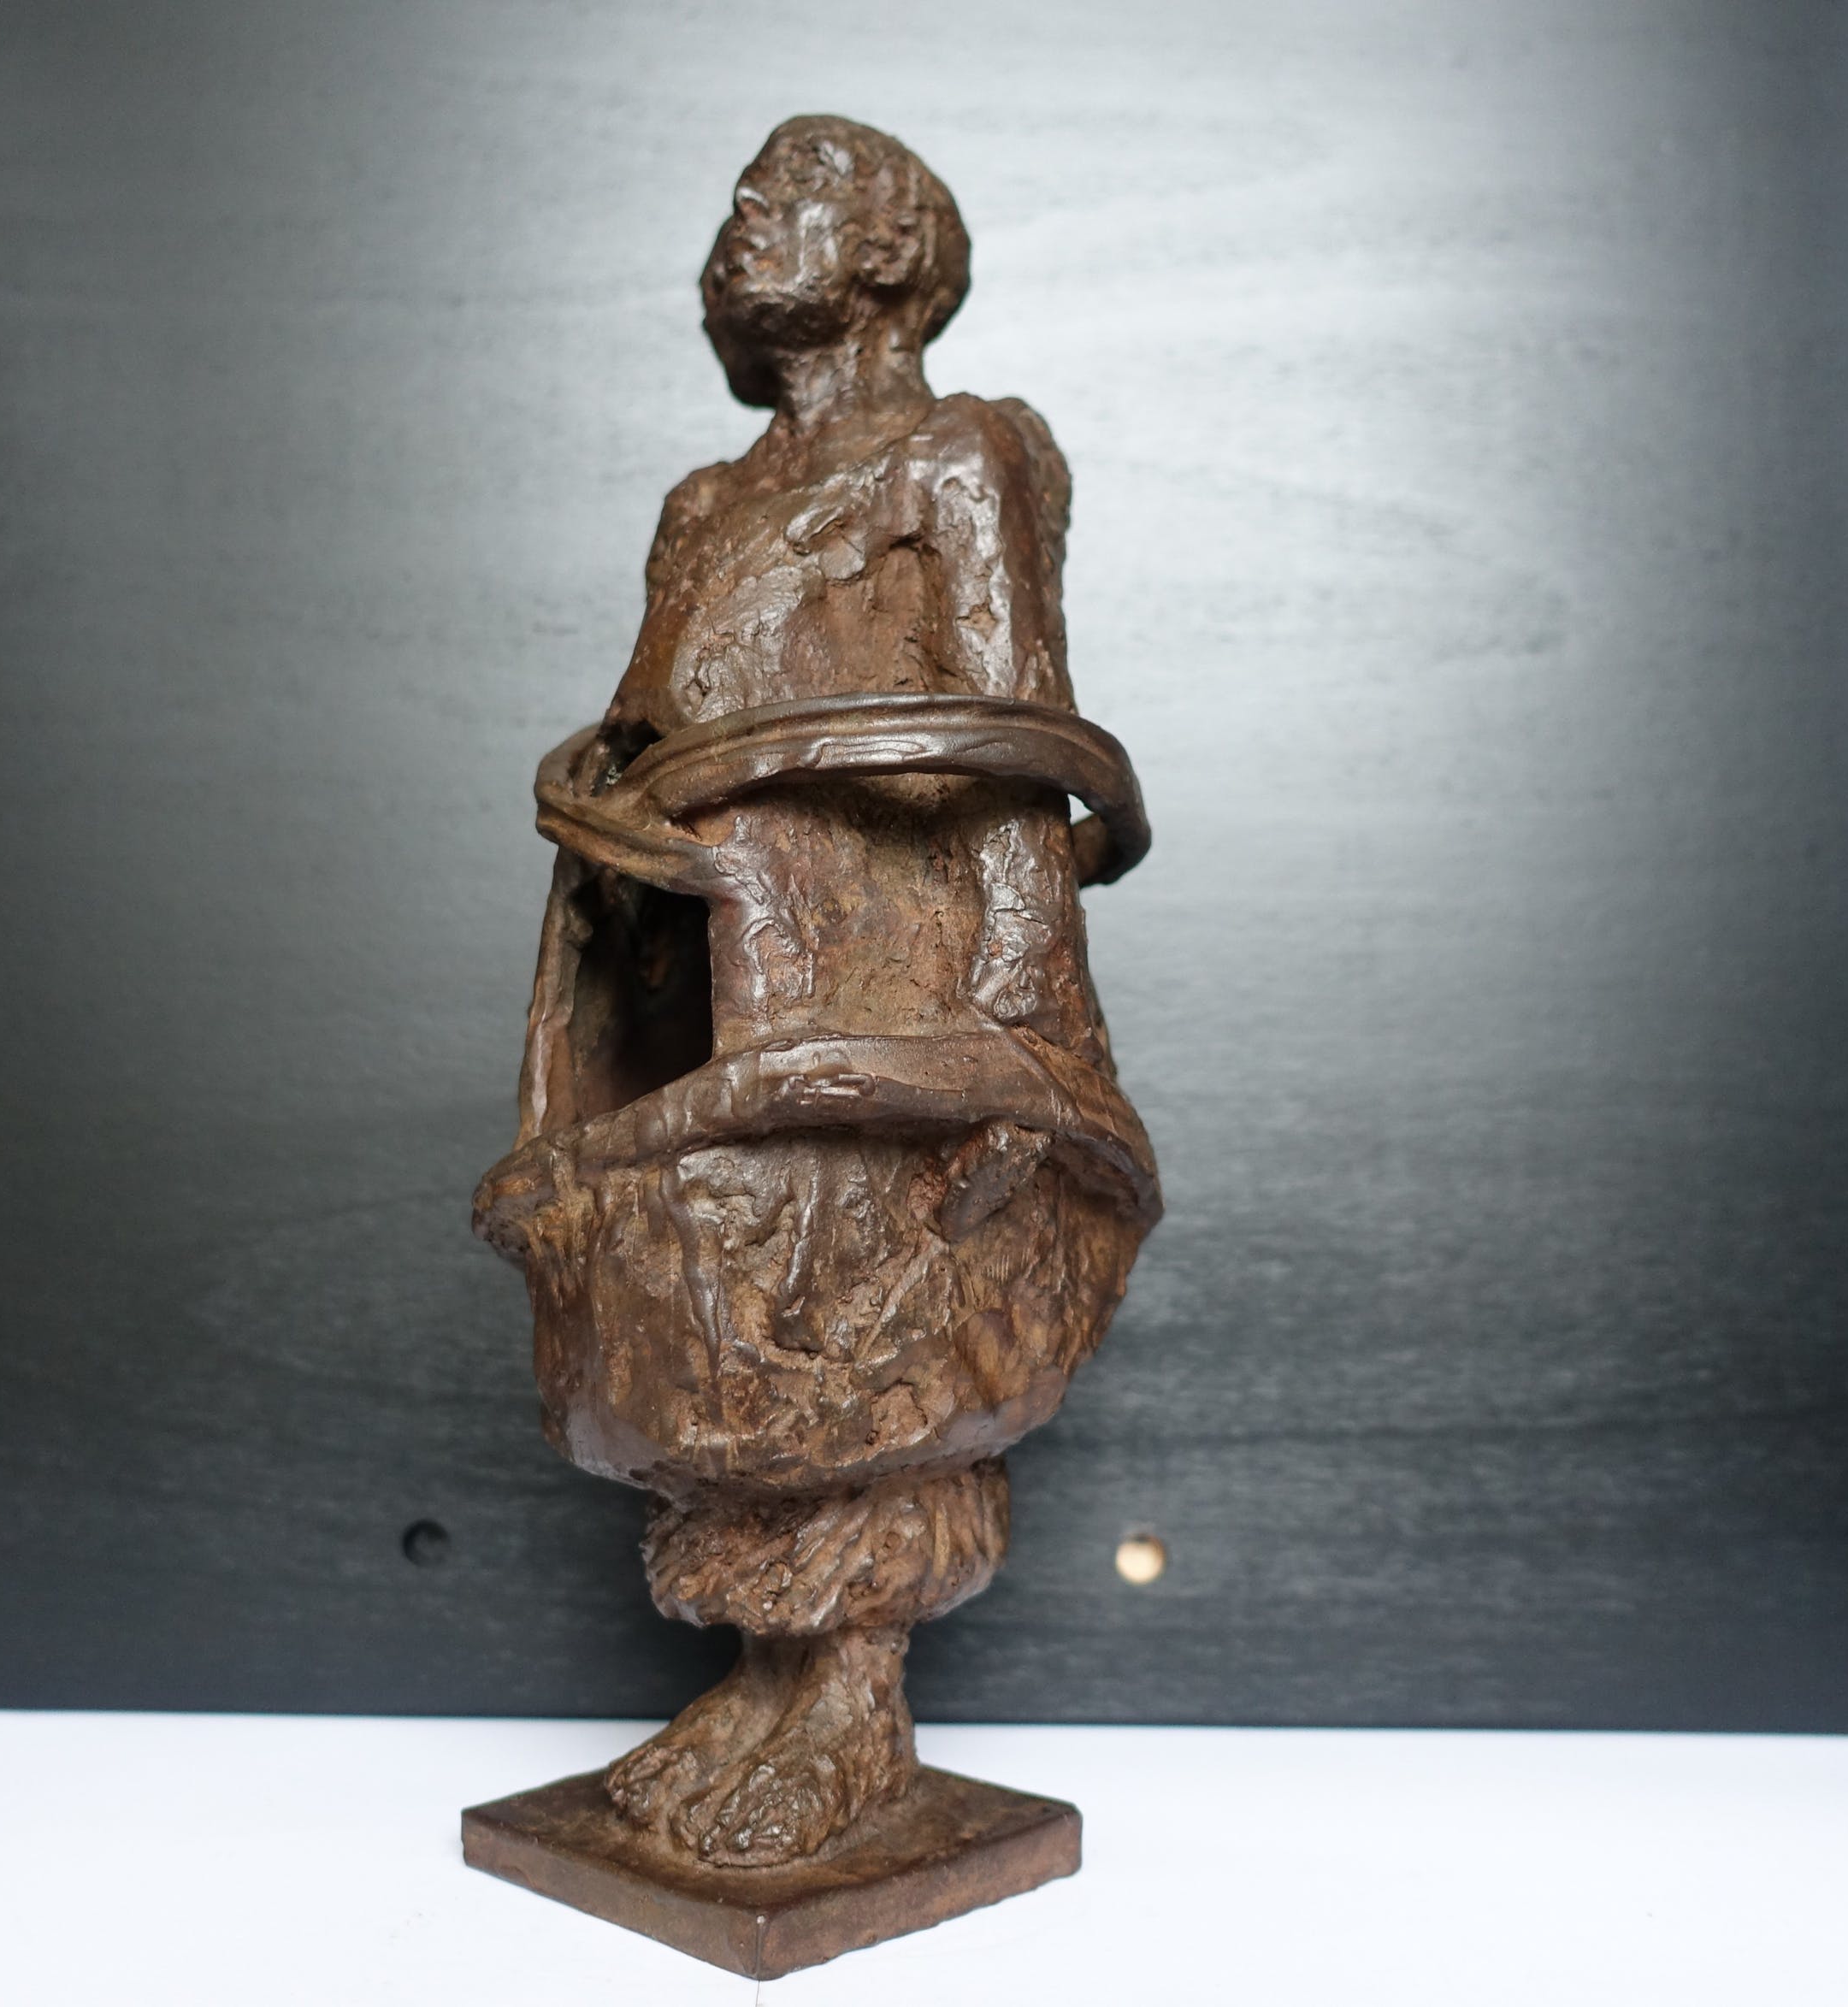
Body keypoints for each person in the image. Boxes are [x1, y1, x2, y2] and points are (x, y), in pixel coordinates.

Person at [475, 115, 1156, 1867]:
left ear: (887, 252)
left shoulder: (963, 453)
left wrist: (1016, 1029)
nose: (739, 228)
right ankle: (772, 1686)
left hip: (892, 950)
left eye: (780, 200)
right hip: (704, 960)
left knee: (862, 1314)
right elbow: (650, 732)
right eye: (735, 202)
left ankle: (851, 1702)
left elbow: (1013, 733)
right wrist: (602, 809)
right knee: (702, 1299)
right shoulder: (701, 504)